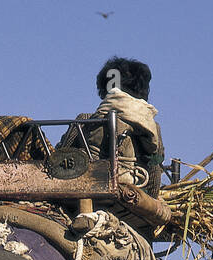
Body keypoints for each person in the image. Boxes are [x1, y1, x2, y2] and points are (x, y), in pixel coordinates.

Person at [58, 56, 166, 235]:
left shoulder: (85, 120)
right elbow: (153, 183)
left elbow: (58, 159)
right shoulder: (152, 131)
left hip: (75, 202)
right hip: (126, 206)